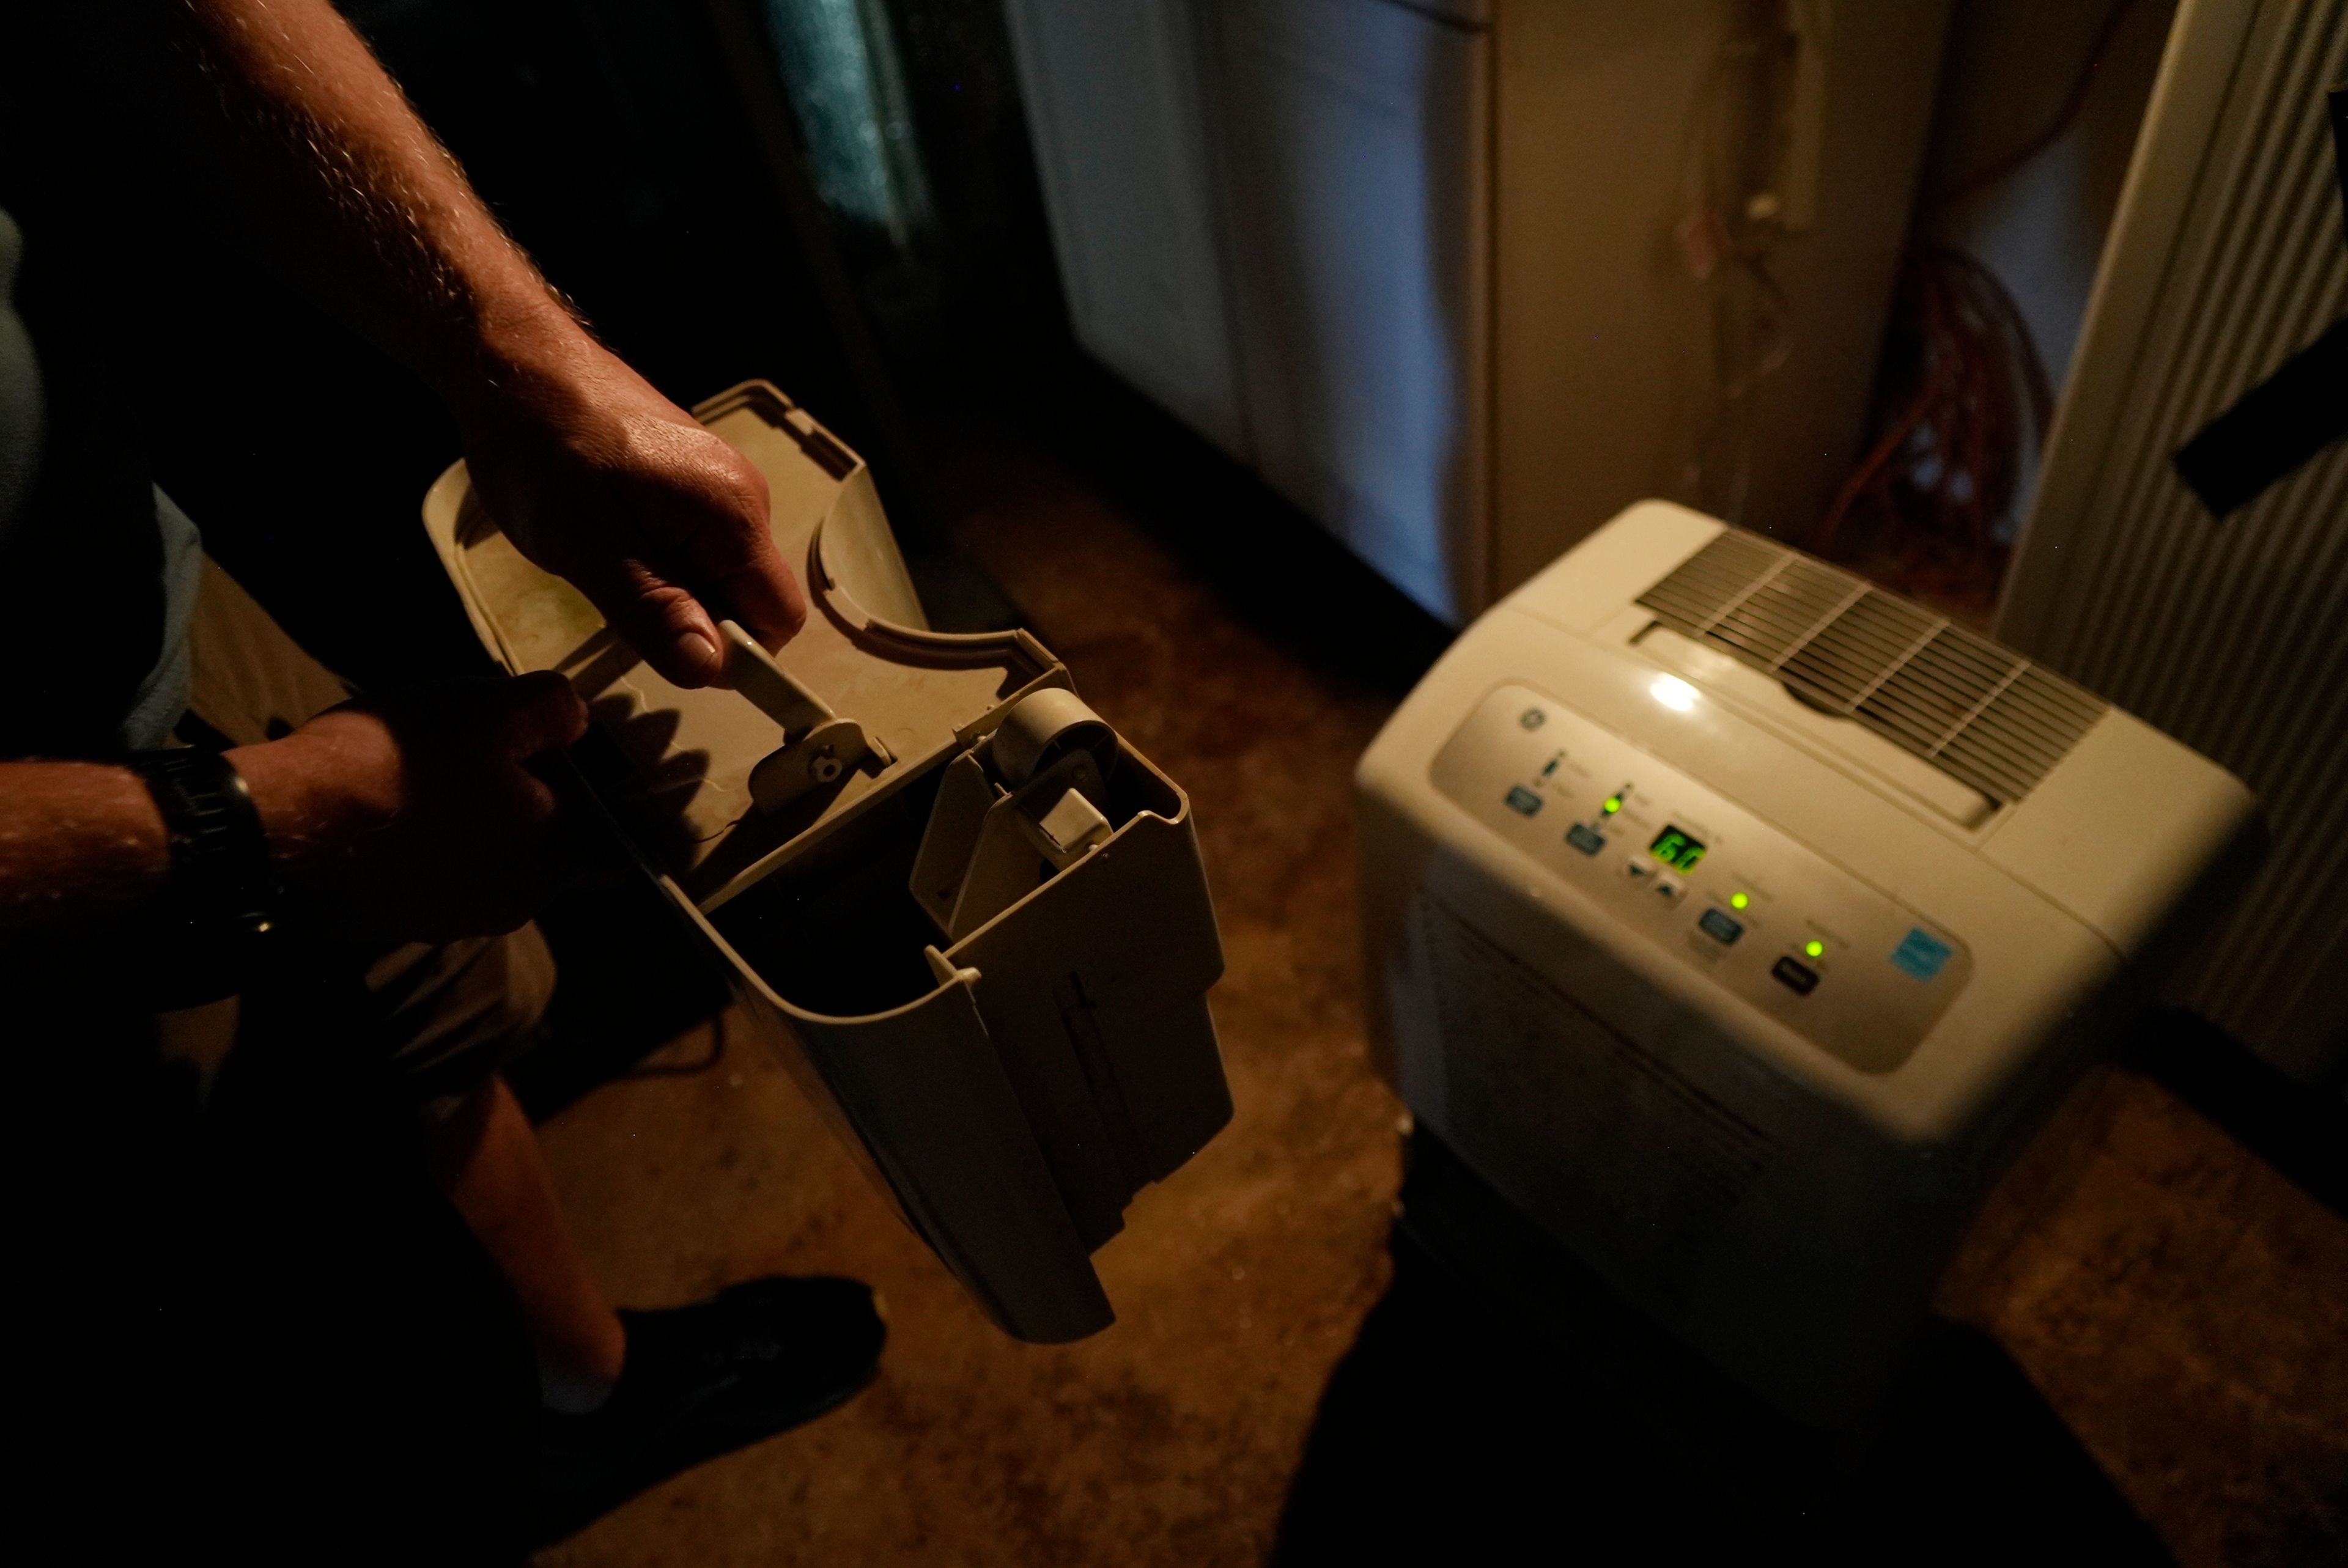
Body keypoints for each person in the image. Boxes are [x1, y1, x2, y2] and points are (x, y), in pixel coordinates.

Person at [0, 3, 883, 1558]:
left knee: (438, 1009)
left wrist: (511, 346)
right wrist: (231, 840)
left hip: (121, 589)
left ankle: (587, 1390)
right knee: (277, 1388)